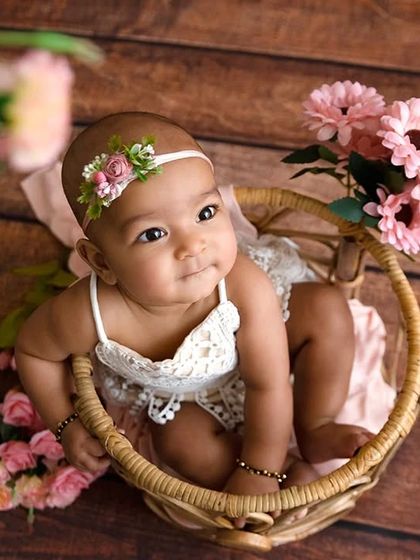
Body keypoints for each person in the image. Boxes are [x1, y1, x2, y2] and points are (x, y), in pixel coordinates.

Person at [15, 112, 373, 521]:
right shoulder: (87, 314)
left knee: (327, 309)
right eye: (153, 234)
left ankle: (314, 426)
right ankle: (284, 475)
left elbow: (267, 383)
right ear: (101, 261)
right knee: (179, 444)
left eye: (205, 213)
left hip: (261, 363)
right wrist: (66, 425)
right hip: (181, 399)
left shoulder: (243, 285)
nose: (193, 245)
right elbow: (34, 352)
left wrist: (260, 466)